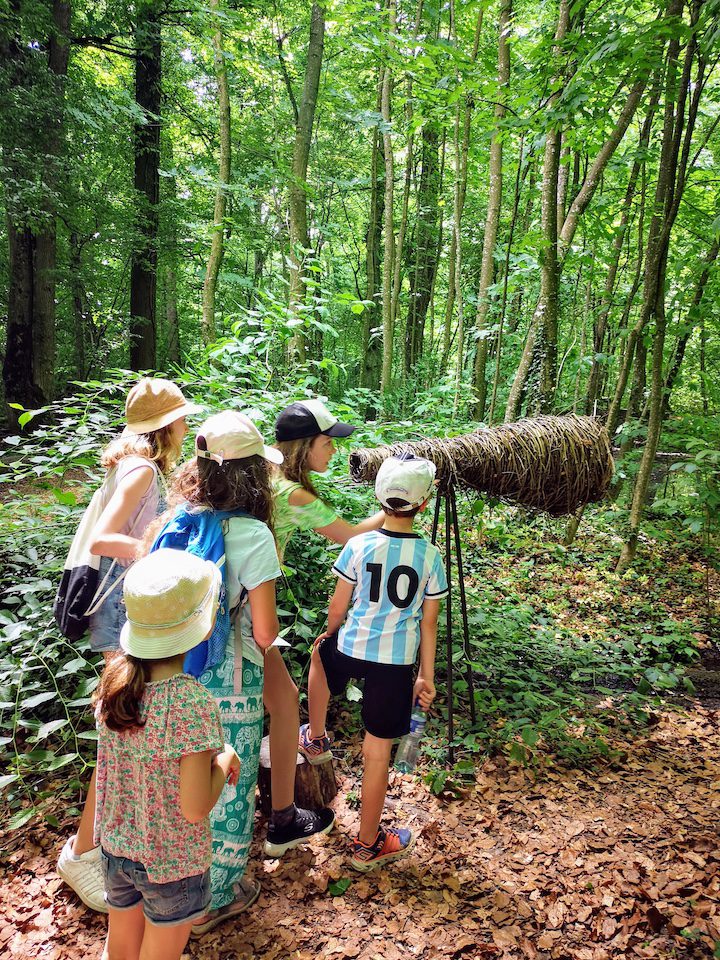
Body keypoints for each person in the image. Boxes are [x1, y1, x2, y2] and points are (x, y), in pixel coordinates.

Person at [167, 411, 334, 934]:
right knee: (229, 785)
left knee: (182, 777)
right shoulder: (253, 533)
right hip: (232, 677)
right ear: (255, 473)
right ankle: (214, 899)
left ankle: (172, 887)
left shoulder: (180, 521)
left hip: (175, 669)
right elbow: (264, 631)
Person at [57, 378, 201, 913]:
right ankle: (83, 852)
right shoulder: (141, 470)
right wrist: (159, 552)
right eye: (181, 418)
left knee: (124, 731)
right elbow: (104, 536)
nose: (186, 425)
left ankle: (106, 847)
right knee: (120, 731)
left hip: (125, 610)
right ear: (167, 426)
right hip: (123, 614)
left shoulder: (136, 466)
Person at [299, 455, 448, 871]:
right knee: (377, 752)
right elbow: (430, 623)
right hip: (395, 663)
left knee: (319, 657)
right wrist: (425, 676)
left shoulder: (359, 545)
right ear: (423, 504)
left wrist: (330, 632)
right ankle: (367, 845)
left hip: (351, 646)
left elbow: (338, 605)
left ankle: (315, 736)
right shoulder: (430, 556)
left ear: (379, 498)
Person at [94, 548, 239, 960]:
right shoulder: (190, 702)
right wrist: (224, 759)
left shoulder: (114, 683)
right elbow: (195, 807)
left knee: (121, 948)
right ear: (203, 624)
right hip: (173, 865)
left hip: (117, 849)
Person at [273, 398, 385, 561]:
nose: (333, 450)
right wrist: (399, 505)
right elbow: (350, 537)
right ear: (303, 446)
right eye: (327, 443)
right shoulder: (292, 494)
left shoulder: (264, 467)